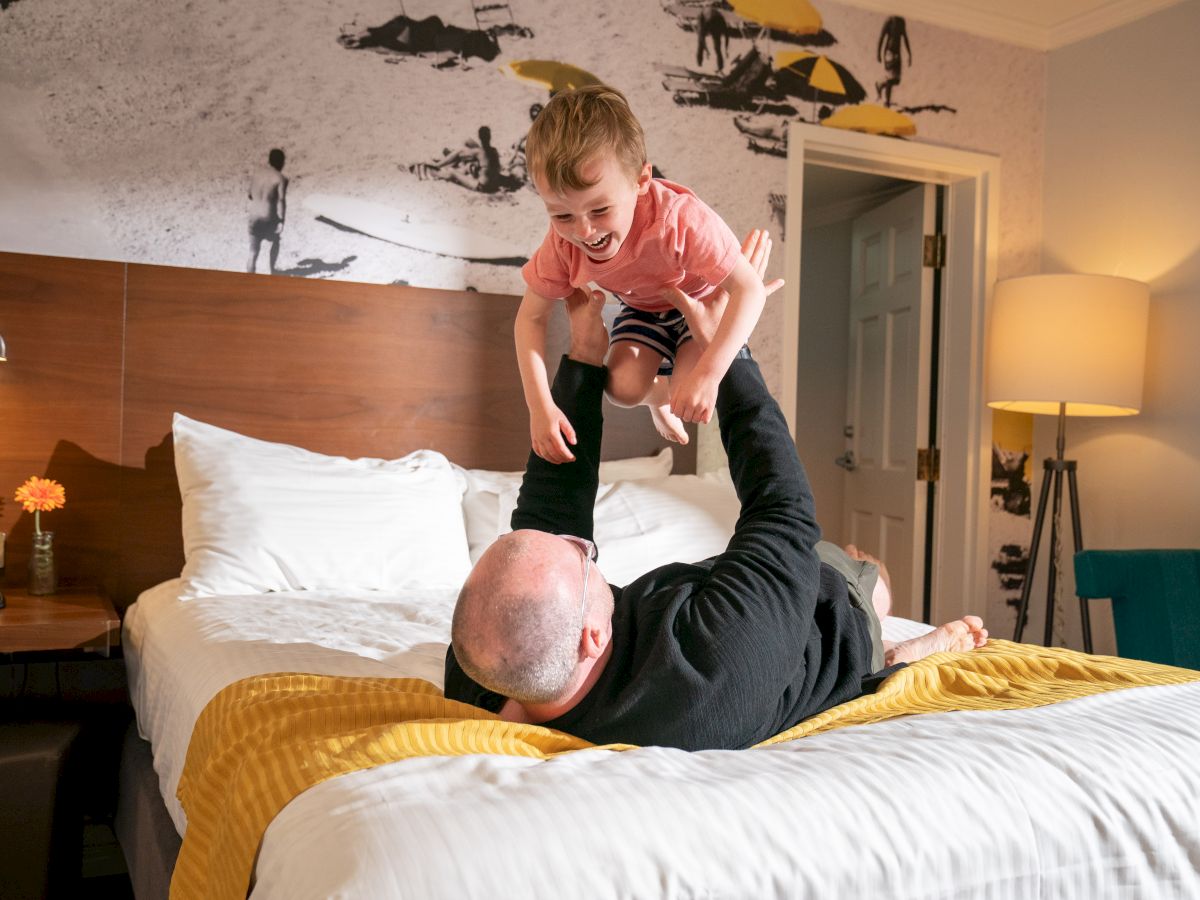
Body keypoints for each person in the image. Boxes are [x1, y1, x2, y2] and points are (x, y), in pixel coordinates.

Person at [444, 230, 988, 751]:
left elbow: (550, 512)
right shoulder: (712, 667)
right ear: (591, 636)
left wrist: (585, 356)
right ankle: (893, 653)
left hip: (698, 604)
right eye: (583, 559)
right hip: (821, 624)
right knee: (864, 574)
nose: (581, 544)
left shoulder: (487, 664)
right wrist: (725, 352)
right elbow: (784, 509)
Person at [517, 83, 767, 462]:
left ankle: (671, 392)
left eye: (600, 210)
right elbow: (530, 319)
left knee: (687, 393)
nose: (584, 231)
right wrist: (540, 407)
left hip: (699, 305)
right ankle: (657, 398)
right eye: (562, 215)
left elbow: (751, 290)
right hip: (644, 308)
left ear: (641, 181)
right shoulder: (562, 245)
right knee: (621, 388)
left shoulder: (679, 220)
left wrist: (709, 374)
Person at [412, 126, 504, 193]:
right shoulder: (494, 150)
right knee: (467, 143)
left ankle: (436, 170)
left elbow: (460, 153)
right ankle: (453, 160)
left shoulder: (478, 152)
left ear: (479, 137)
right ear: (490, 137)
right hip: (494, 185)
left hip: (483, 187)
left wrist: (439, 164)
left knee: (452, 171)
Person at [246, 148, 288, 275]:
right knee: (275, 240)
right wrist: (281, 221)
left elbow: (250, 195)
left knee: (253, 251)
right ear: (281, 163)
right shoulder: (280, 178)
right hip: (268, 216)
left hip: (253, 216)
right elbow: (281, 201)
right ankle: (272, 270)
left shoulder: (256, 174)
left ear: (269, 161)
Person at [876, 15, 912, 107]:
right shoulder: (889, 21)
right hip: (889, 52)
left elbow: (905, 38)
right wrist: (878, 53)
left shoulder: (901, 21)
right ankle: (887, 103)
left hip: (897, 54)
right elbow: (881, 37)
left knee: (896, 80)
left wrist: (909, 54)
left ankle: (880, 84)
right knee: (890, 80)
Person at [695, 2, 730, 73]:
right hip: (707, 18)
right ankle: (699, 64)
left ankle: (720, 67)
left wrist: (726, 49)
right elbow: (702, 38)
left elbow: (727, 35)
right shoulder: (703, 18)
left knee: (716, 48)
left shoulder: (720, 21)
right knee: (701, 44)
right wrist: (707, 51)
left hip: (714, 20)